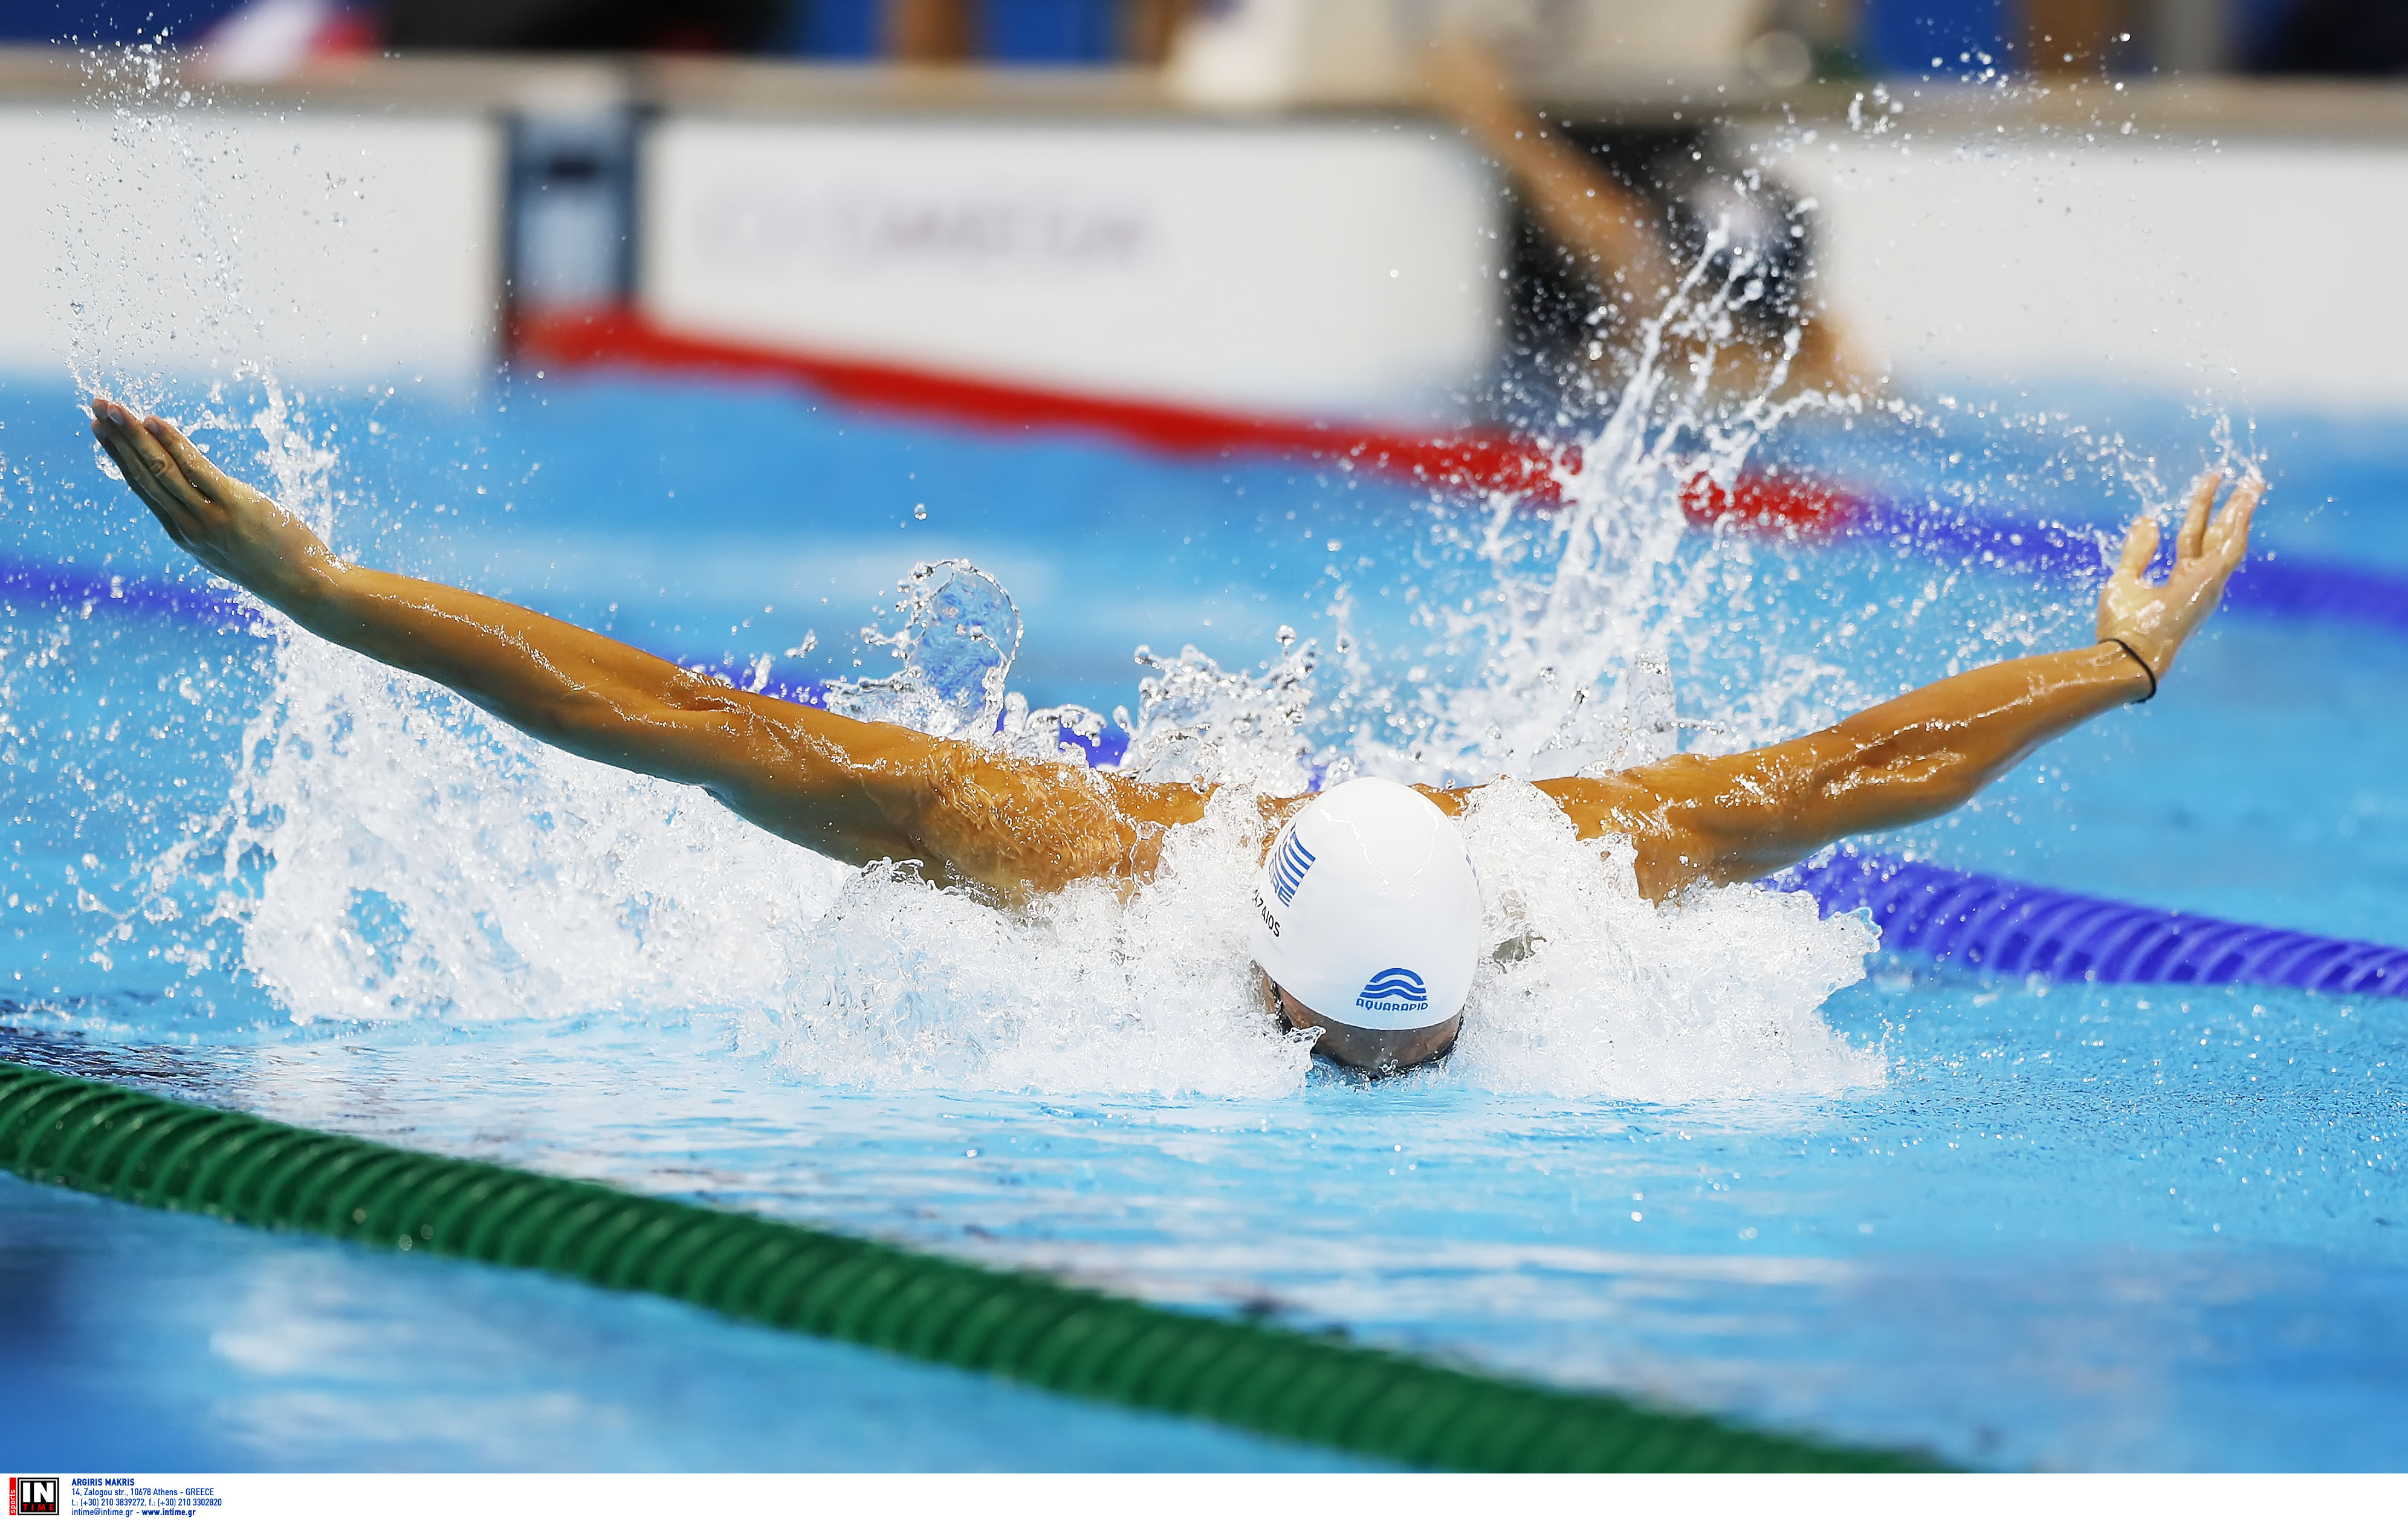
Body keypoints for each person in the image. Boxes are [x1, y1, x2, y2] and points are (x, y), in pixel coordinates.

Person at [89, 396, 2261, 1073]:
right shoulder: (1076, 863)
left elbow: (1846, 774)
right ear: (1261, 962)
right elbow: (676, 716)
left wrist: (2118, 663)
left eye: (1401, 1048)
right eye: (1347, 1038)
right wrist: (326, 591)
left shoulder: (1551, 869)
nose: (1369, 1076)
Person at [1422, 36, 1878, 399]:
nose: (1627, 270)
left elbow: (1619, 241)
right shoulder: (1820, 373)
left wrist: (1492, 117)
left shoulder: (1671, 387)